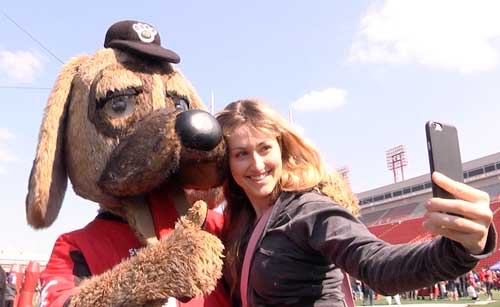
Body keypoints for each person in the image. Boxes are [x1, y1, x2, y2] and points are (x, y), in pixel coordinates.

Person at [216, 98, 496, 307]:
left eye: (265, 148)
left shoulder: (309, 210)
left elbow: (380, 266)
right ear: (226, 162)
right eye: (241, 154)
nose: (256, 164)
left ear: (282, 149)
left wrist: (462, 248)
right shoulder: (240, 223)